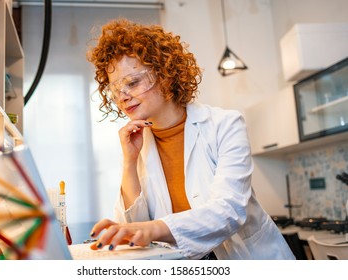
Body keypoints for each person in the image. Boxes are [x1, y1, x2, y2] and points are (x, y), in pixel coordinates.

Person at [86, 18, 295, 260]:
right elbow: (135, 229)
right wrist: (129, 162)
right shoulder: (138, 143)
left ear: (165, 74)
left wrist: (152, 229)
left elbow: (228, 210)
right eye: (115, 90)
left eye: (132, 83)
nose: (123, 96)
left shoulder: (225, 125)